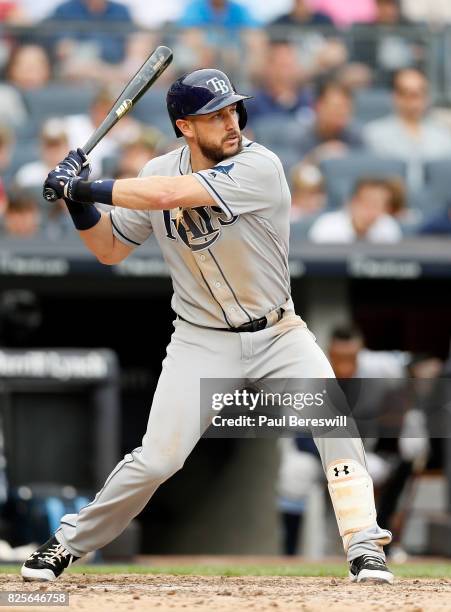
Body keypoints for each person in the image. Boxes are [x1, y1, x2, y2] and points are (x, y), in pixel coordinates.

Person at [22, 68, 393, 584]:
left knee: (334, 421)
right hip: (201, 340)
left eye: (231, 110)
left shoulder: (259, 166)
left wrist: (85, 184)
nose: (230, 122)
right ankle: (64, 545)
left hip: (277, 332)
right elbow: (108, 249)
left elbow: (168, 196)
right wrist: (79, 204)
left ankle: (364, 546)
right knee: (156, 460)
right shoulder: (156, 169)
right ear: (185, 127)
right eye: (214, 116)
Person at [363, 69, 451, 190]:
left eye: (419, 94)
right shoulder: (375, 133)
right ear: (395, 97)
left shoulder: (443, 134)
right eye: (407, 94)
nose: (414, 102)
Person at [309, 178, 402, 243]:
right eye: (367, 203)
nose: (371, 210)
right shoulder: (326, 226)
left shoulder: (389, 227)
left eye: (378, 205)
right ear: (352, 202)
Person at [296, 80, 363, 162]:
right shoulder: (300, 136)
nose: (342, 112)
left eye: (346, 107)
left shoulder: (355, 136)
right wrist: (319, 155)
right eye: (337, 107)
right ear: (319, 106)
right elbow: (293, 170)